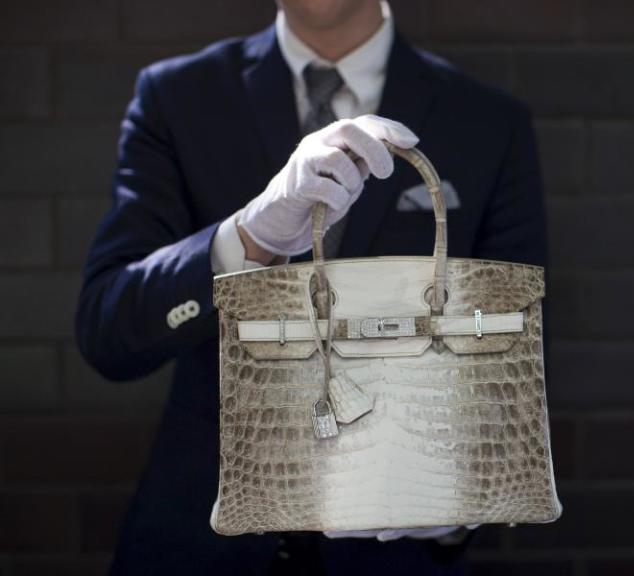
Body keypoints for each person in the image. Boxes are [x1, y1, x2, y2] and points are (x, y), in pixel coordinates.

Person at [74, 0, 547, 574]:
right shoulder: (178, 96)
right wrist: (248, 235)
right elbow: (107, 331)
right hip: (200, 542)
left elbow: (521, 344)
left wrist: (468, 504)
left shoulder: (488, 120)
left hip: (395, 552)